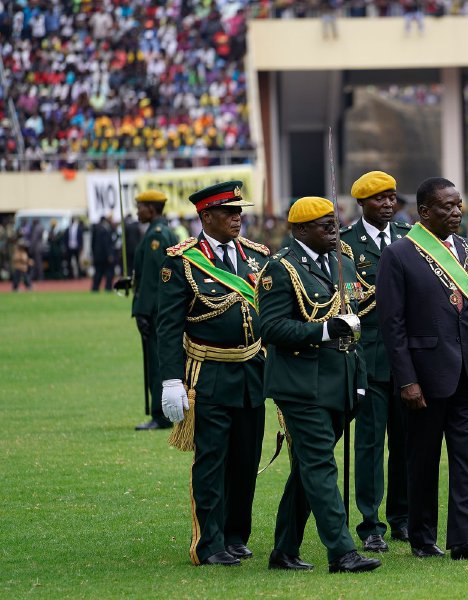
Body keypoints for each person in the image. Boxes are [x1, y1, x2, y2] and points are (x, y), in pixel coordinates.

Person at [376, 177, 468, 561]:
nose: (455, 212)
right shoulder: (399, 254)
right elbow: (393, 325)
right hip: (425, 376)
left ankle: (465, 539)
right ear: (424, 212)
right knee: (422, 460)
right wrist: (407, 379)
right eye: (446, 206)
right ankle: (421, 538)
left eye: (458, 205)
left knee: (467, 459)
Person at [258, 196, 381, 573]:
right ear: (299, 230)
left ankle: (284, 549)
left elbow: (355, 325)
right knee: (321, 465)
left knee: (308, 469)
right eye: (324, 225)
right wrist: (323, 330)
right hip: (300, 384)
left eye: (335, 222)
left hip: (339, 382)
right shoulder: (280, 269)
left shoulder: (342, 261)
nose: (334, 229)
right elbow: (271, 327)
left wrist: (359, 382)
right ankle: (342, 552)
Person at [156, 181, 270, 566]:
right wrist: (171, 380)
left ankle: (237, 535)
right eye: (229, 212)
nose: (238, 217)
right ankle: (210, 542)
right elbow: (168, 327)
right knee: (212, 461)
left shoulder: (257, 256)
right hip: (209, 373)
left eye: (240, 211)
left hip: (252, 371)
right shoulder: (182, 261)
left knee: (245, 459)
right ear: (206, 216)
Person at [343, 171, 411, 553]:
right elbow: (350, 302)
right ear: (363, 204)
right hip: (368, 358)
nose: (388, 204)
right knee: (369, 445)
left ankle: (402, 517)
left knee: (406, 442)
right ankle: (371, 523)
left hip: (408, 360)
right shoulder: (347, 245)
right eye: (379, 199)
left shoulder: (409, 237)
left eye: (392, 198)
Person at [132, 190, 178, 431]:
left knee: (156, 362)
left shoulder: (156, 237)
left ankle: (160, 415)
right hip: (161, 309)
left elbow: (152, 279)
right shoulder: (164, 232)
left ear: (151, 209)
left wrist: (141, 311)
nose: (137, 211)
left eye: (140, 207)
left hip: (155, 310)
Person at [91, 216, 116, 292]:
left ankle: (95, 287)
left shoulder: (96, 229)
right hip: (105, 256)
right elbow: (106, 244)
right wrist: (110, 255)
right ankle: (108, 287)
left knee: (98, 272)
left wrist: (94, 254)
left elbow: (92, 243)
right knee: (109, 272)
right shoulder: (105, 230)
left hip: (97, 255)